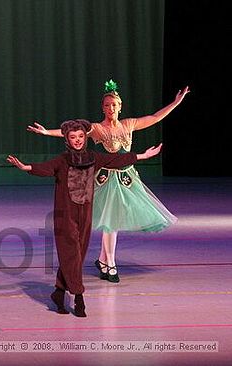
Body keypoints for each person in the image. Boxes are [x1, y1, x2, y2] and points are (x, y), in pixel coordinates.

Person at [27, 80, 189, 282]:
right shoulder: (95, 128)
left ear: (120, 106)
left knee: (113, 223)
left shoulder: (129, 124)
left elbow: (155, 117)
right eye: (106, 105)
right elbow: (71, 131)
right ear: (102, 108)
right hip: (105, 181)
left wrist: (176, 103)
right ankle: (109, 263)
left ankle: (104, 259)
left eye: (114, 105)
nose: (110, 108)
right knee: (110, 223)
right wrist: (46, 132)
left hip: (127, 179)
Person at [8, 119, 162, 317]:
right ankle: (79, 298)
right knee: (72, 252)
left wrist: (143, 155)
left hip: (85, 214)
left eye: (81, 136)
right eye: (73, 137)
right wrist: (25, 167)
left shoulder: (93, 157)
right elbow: (45, 168)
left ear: (85, 137)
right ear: (67, 139)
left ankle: (58, 291)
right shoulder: (62, 160)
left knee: (77, 255)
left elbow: (116, 161)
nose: (78, 140)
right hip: (65, 215)